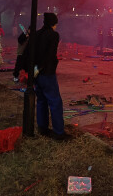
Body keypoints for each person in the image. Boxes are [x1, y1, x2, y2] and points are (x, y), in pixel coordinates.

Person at [34, 13, 71, 141]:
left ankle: (42, 128)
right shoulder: (53, 35)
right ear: (53, 23)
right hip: (47, 73)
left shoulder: (37, 34)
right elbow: (50, 54)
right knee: (55, 102)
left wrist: (36, 68)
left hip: (36, 72)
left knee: (41, 100)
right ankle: (59, 133)